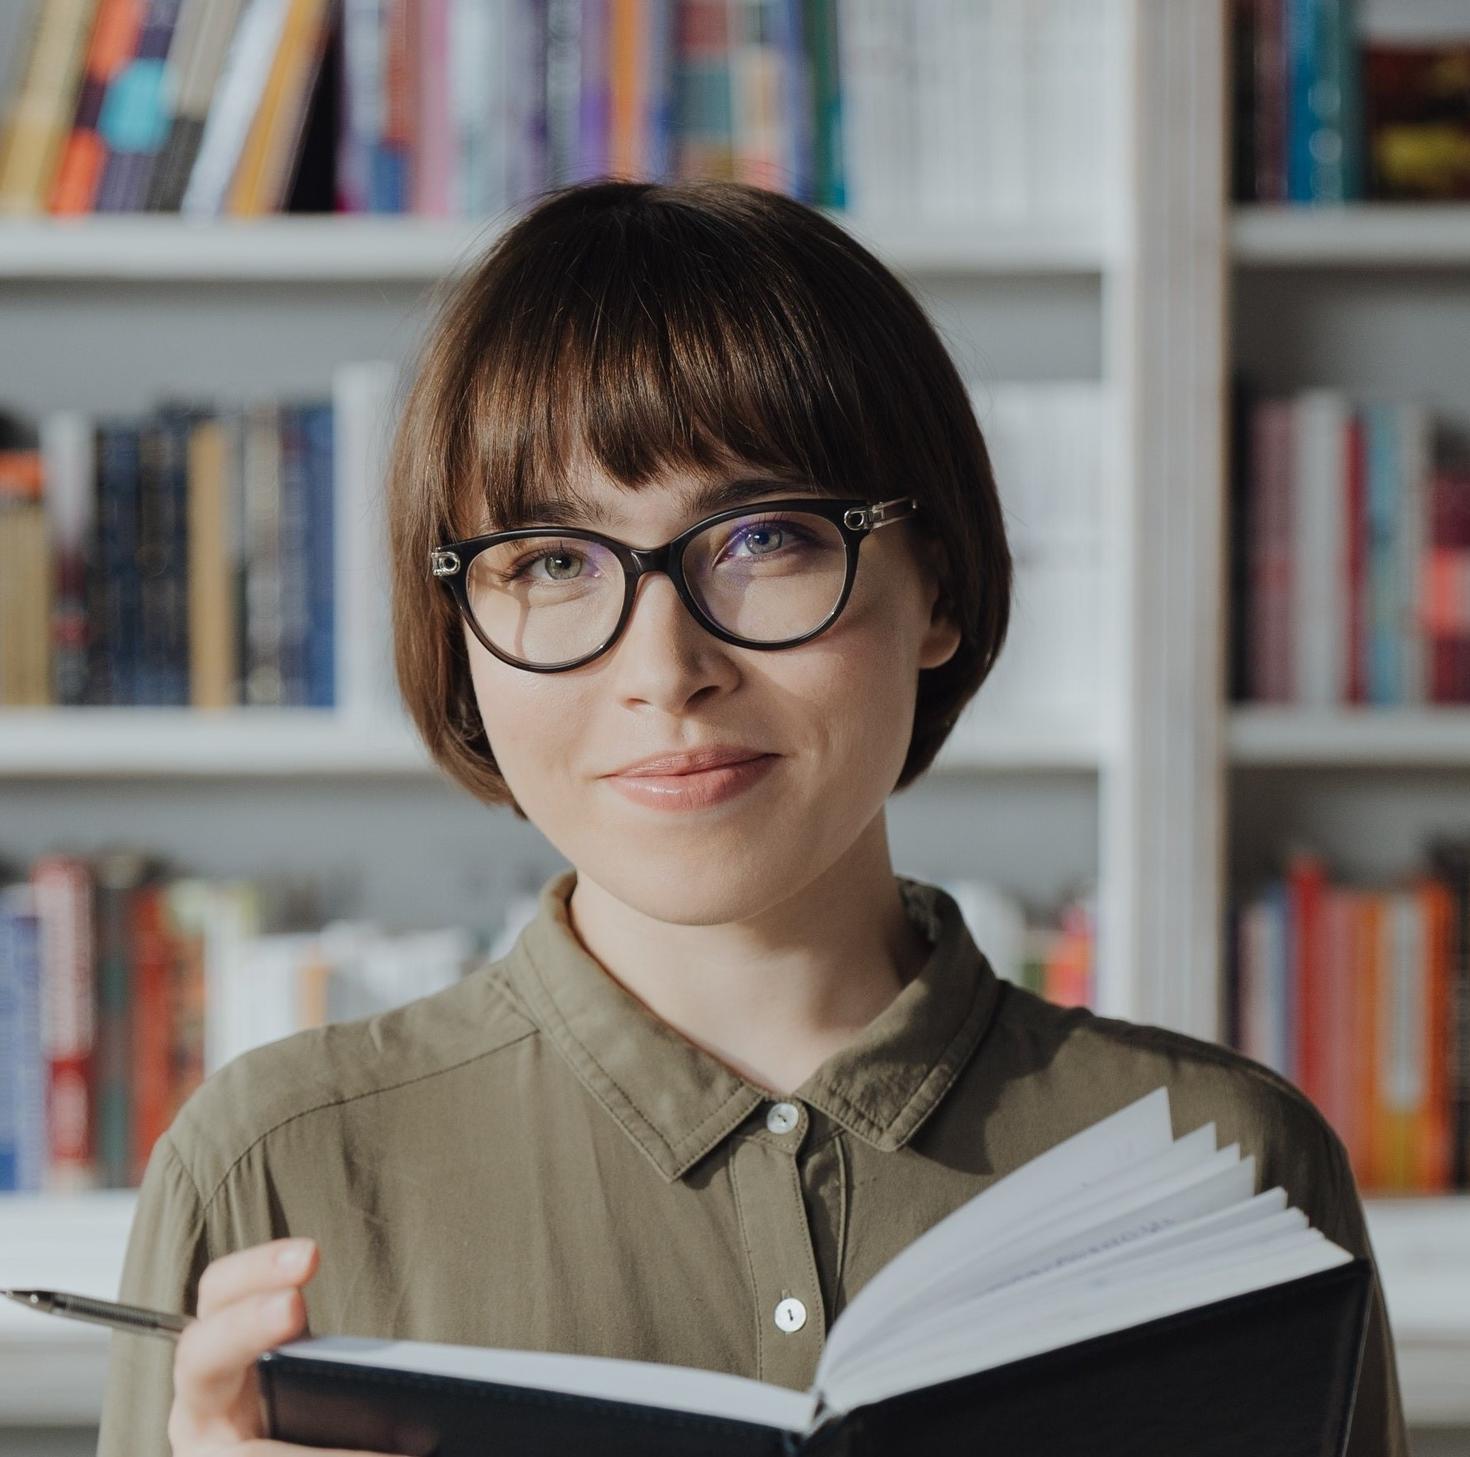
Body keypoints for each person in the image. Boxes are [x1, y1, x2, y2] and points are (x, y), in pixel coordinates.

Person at [96, 177, 1408, 1457]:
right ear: (460, 631)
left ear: (934, 586)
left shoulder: (1224, 1157)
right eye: (551, 560)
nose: (663, 669)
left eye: (763, 538)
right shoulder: (272, 1168)